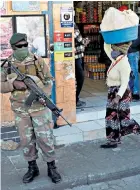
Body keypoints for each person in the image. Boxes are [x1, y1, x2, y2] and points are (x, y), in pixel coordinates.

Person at [0, 33, 62, 184]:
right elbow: (1, 85)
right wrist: (13, 84)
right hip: (21, 110)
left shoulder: (37, 61)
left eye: (25, 45)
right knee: (26, 141)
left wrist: (43, 94)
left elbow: (49, 81)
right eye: (19, 46)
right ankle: (32, 167)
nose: (23, 48)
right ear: (13, 47)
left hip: (40, 108)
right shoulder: (7, 65)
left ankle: (51, 167)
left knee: (45, 138)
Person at [100, 42, 140, 148]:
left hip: (122, 93)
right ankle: (113, 140)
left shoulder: (124, 64)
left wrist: (117, 97)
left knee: (124, 120)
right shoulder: (115, 59)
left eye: (114, 49)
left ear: (120, 51)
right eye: (112, 49)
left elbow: (124, 83)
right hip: (112, 92)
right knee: (110, 117)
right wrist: (106, 35)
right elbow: (106, 48)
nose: (112, 51)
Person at [119, 5, 140, 100]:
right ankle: (127, 92)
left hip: (133, 52)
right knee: (125, 73)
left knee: (133, 72)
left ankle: (135, 93)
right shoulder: (123, 24)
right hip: (125, 52)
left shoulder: (135, 23)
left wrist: (130, 46)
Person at [74, 23, 89, 108]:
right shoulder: (71, 25)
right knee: (80, 78)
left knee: (76, 79)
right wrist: (85, 42)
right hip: (76, 58)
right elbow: (80, 40)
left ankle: (75, 99)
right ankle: (75, 100)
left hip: (76, 57)